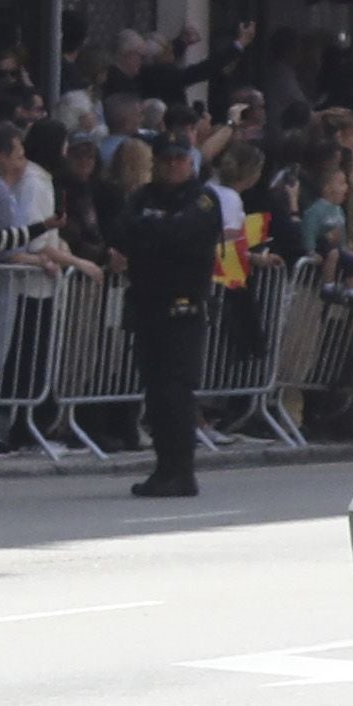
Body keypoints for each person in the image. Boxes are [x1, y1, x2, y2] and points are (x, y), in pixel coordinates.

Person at [116, 129, 226, 495]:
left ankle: (181, 471)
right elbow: (122, 231)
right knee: (155, 390)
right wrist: (156, 232)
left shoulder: (202, 199)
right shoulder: (142, 196)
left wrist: (153, 232)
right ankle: (164, 469)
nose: (175, 166)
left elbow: (184, 234)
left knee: (176, 391)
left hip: (184, 306)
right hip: (148, 304)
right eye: (167, 160)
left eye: (181, 159)